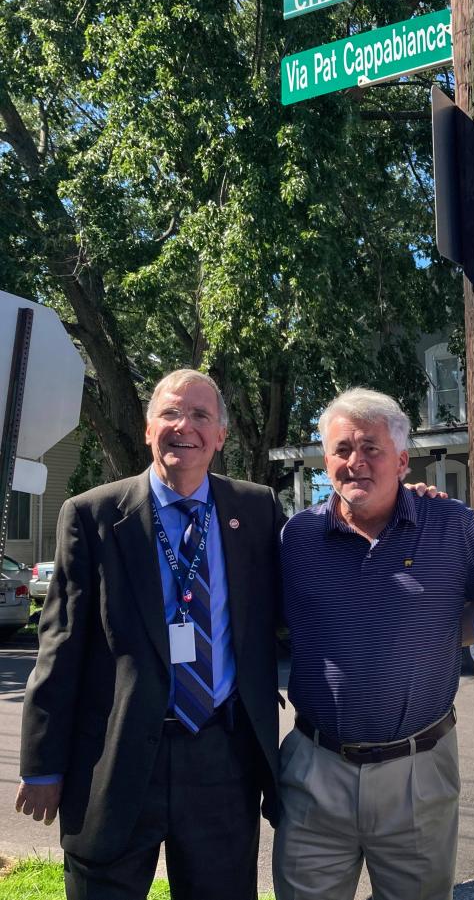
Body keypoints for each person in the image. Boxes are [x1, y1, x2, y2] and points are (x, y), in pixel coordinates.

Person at [15, 369, 285, 900]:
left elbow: (311, 569)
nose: (184, 426)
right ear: (147, 429)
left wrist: (404, 499)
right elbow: (61, 646)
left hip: (221, 757)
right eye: (170, 413)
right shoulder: (92, 516)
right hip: (114, 759)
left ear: (220, 437)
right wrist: (43, 764)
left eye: (200, 416)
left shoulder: (255, 510)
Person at [274, 387, 474, 900]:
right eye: (341, 450)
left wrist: (441, 629)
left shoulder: (450, 525)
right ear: (324, 460)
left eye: (371, 448)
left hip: (419, 768)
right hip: (316, 769)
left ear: (401, 460)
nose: (355, 462)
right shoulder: (296, 538)